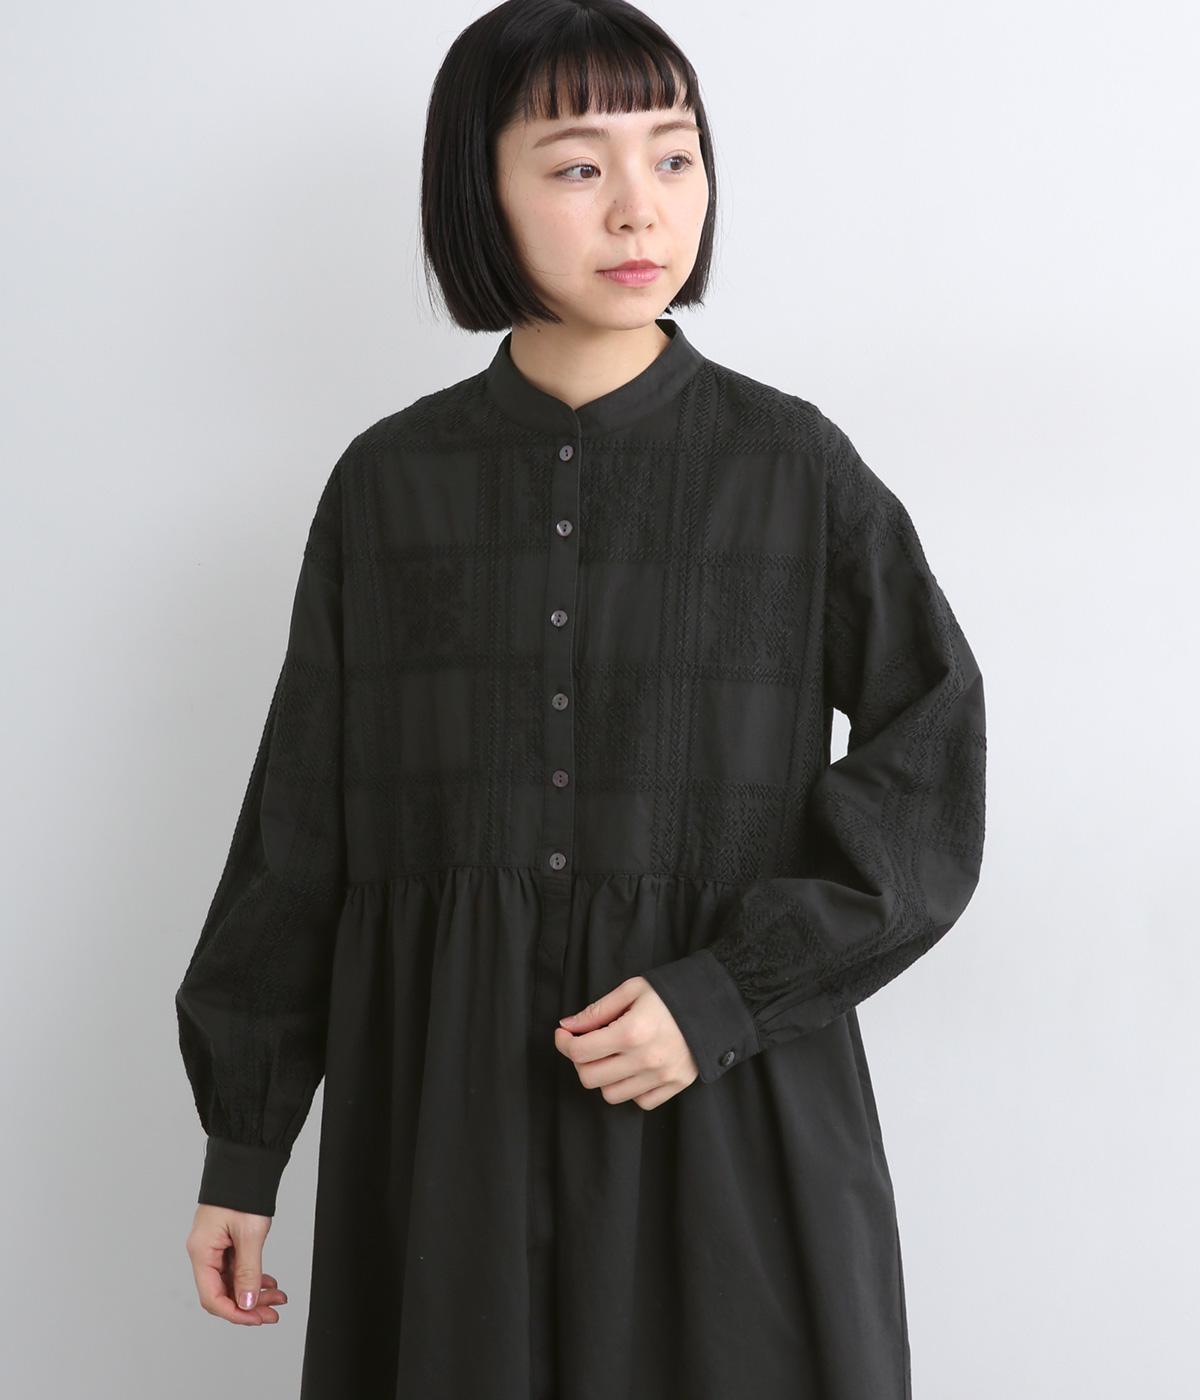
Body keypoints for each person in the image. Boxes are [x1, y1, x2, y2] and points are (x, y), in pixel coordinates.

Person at [175, 2, 988, 1396]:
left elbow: (934, 755)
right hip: (448, 1131)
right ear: (477, 193)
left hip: (726, 1109)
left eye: (673, 157)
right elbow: (298, 828)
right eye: (575, 165)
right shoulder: (388, 488)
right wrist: (245, 1145)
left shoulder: (797, 471)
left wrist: (728, 993)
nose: (637, 207)